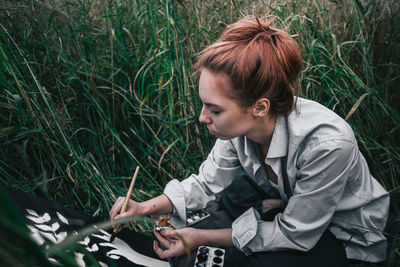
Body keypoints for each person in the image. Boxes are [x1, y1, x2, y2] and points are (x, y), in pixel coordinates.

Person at [109, 17, 390, 266]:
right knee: (233, 195)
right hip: (288, 203)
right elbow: (207, 183)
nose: (202, 118)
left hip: (343, 235)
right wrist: (144, 207)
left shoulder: (327, 145)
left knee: (256, 257)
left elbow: (295, 234)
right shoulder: (240, 129)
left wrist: (198, 237)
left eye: (215, 110)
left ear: (260, 107)